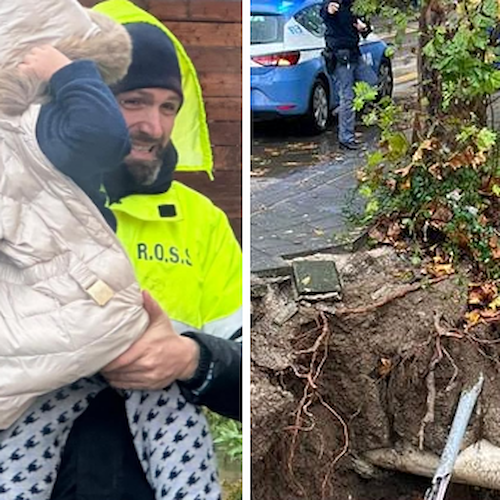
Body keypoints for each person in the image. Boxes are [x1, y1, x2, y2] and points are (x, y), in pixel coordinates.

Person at [46, 11, 242, 500]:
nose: (152, 125)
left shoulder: (202, 222)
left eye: (168, 106)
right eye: (133, 101)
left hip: (156, 474)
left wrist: (191, 358)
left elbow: (251, 370)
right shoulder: (32, 203)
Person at [320, 0, 378, 150]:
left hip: (354, 53)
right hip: (340, 56)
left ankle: (342, 112)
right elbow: (326, 12)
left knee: (372, 83)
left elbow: (365, 29)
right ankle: (346, 138)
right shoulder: (333, 4)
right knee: (347, 97)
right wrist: (330, 9)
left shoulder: (353, 5)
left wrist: (363, 28)